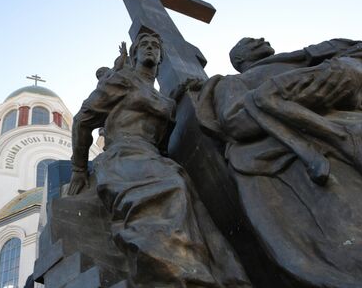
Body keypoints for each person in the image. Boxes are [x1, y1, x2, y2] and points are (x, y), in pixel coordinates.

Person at [191, 37, 362, 287]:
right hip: (302, 161)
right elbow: (235, 121)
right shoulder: (232, 83)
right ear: (239, 58)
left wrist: (345, 75)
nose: (261, 39)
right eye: (249, 42)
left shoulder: (311, 57)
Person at [68, 32, 251, 287]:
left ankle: (213, 276)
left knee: (190, 197)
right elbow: (82, 121)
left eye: (155, 46)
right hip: (123, 156)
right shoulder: (122, 80)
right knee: (169, 189)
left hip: (153, 158)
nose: (151, 49)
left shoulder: (165, 99)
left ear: (161, 56)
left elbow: (164, 141)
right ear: (134, 54)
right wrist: (78, 169)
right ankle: (180, 277)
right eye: (145, 45)